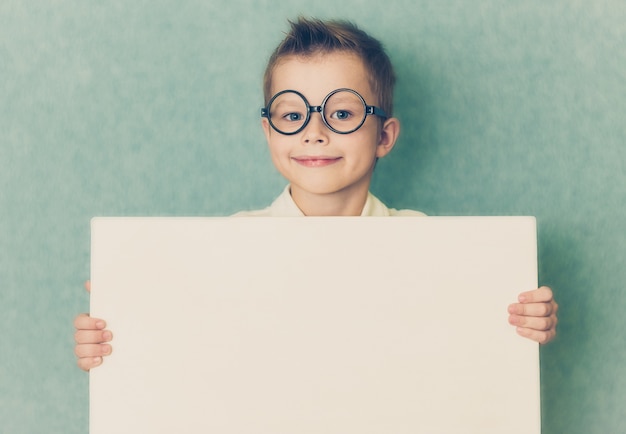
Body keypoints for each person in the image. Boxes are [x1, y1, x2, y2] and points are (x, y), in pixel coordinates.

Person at [74, 17, 558, 371]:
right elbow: (186, 355)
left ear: (385, 137)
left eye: (342, 114)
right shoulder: (227, 246)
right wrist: (119, 336)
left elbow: (469, 351)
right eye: (291, 115)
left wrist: (522, 323)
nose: (314, 132)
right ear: (269, 134)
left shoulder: (427, 245)